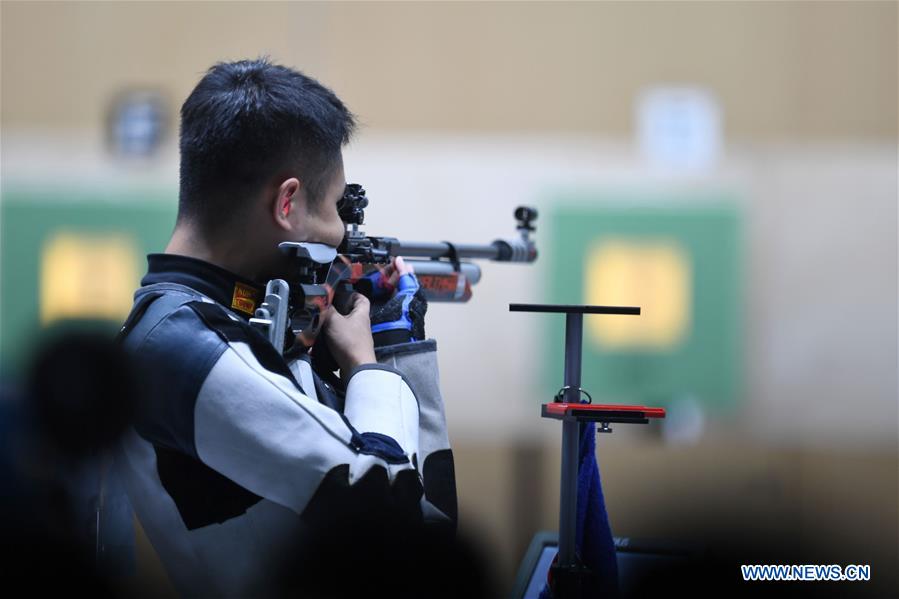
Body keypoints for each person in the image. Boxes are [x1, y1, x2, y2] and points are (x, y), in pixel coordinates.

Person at [114, 57, 456, 597]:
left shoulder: (231, 323)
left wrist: (360, 350)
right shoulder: (178, 342)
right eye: (334, 209)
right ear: (287, 201)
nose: (340, 233)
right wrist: (373, 363)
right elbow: (391, 523)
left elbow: (428, 530)